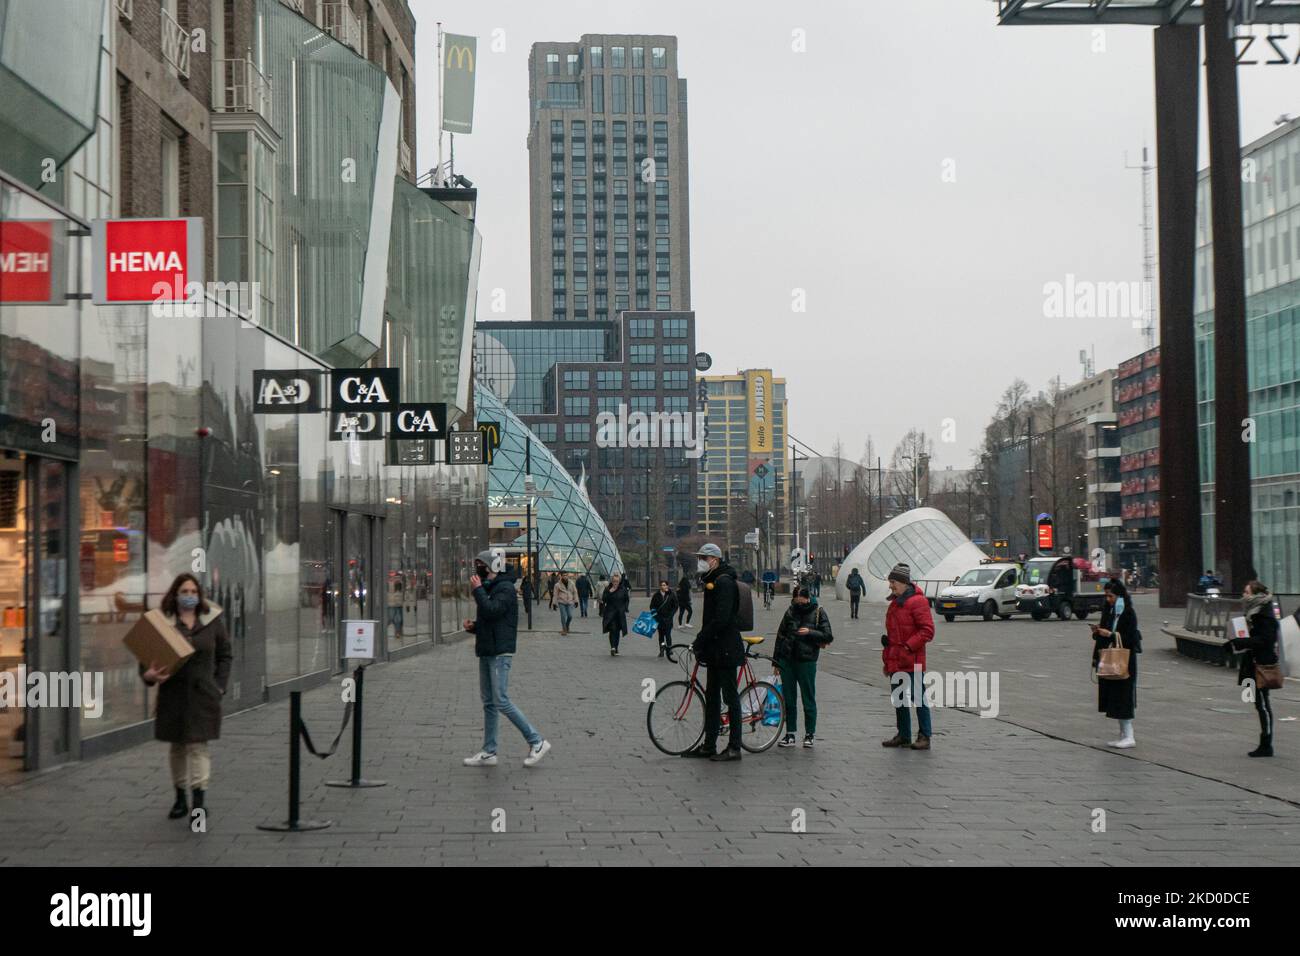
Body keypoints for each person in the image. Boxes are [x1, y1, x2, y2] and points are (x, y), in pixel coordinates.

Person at [140, 573, 232, 822]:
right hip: (173, 695)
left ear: (199, 595)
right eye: (184, 592)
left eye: (193, 592)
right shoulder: (163, 622)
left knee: (198, 747)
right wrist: (148, 675)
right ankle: (180, 798)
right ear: (175, 594)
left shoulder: (212, 620)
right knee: (178, 747)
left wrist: (220, 686)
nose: (189, 596)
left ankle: (199, 802)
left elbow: (225, 655)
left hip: (204, 696)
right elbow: (147, 660)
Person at [462, 550, 550, 768]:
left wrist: (478, 591)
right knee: (489, 702)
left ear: (491, 566)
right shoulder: (491, 588)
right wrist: (475, 627)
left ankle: (536, 741)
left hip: (500, 652)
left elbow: (493, 610)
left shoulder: (505, 588)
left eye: (480, 564)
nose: (478, 568)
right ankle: (489, 751)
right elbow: (492, 620)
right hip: (488, 650)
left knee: (500, 699)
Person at [683, 544, 745, 762]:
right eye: (699, 556)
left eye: (704, 557)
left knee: (730, 698)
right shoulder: (713, 580)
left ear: (715, 560)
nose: (701, 560)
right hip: (715, 649)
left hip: (726, 648)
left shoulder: (724, 581)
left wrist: (700, 639)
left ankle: (734, 747)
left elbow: (722, 618)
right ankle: (709, 744)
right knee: (712, 697)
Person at [881, 562, 935, 751]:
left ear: (904, 583)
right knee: (899, 698)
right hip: (897, 659)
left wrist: (907, 646)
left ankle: (925, 735)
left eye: (893, 581)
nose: (890, 585)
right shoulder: (896, 602)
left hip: (912, 660)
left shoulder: (918, 601)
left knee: (919, 698)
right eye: (890, 582)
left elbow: (928, 631)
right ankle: (903, 734)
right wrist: (888, 654)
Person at [1224, 581, 1280, 757]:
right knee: (1257, 702)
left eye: (1246, 592)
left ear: (1256, 594)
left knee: (1262, 704)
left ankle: (1266, 743)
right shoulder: (1254, 611)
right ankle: (1265, 742)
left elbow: (1265, 640)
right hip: (1253, 661)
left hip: (1262, 663)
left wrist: (1239, 642)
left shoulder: (1264, 614)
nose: (1244, 595)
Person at [774, 585, 832, 748]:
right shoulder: (790, 612)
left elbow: (828, 635)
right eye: (796, 601)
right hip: (787, 660)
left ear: (808, 598)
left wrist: (810, 632)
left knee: (808, 697)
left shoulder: (818, 612)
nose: (799, 604)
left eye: (802, 601)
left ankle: (809, 734)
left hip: (806, 661)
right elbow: (780, 636)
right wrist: (776, 662)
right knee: (789, 699)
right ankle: (790, 733)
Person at [1090, 578, 1142, 749]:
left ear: (1119, 596)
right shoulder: (1109, 611)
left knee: (1124, 696)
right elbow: (1104, 635)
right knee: (1114, 696)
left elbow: (1130, 638)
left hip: (1125, 661)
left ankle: (1129, 735)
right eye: (1106, 596)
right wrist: (1098, 631)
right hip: (1110, 659)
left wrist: (1110, 634)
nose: (1108, 599)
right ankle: (1122, 734)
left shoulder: (1127, 612)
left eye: (1111, 596)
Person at [601, 571, 630, 656]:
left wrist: (625, 608)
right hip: (610, 613)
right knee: (612, 629)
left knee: (617, 631)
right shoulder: (608, 589)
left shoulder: (623, 589)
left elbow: (626, 599)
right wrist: (610, 592)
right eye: (614, 581)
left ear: (619, 581)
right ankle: (612, 647)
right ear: (612, 581)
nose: (615, 583)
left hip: (619, 613)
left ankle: (616, 647)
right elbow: (604, 599)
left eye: (617, 581)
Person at [650, 579, 678, 659]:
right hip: (659, 619)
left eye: (664, 585)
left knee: (668, 635)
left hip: (668, 619)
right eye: (662, 585)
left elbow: (675, 606)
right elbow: (652, 606)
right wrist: (655, 616)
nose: (663, 586)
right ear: (660, 586)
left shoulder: (671, 594)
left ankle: (669, 649)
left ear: (667, 586)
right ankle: (661, 650)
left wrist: (671, 615)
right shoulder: (656, 595)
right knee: (661, 636)